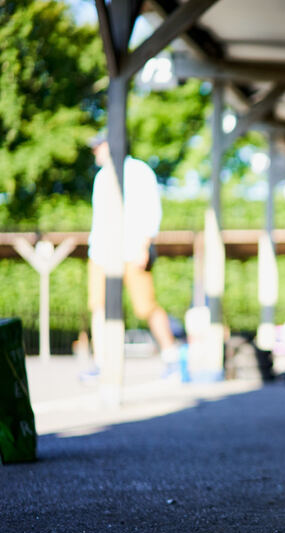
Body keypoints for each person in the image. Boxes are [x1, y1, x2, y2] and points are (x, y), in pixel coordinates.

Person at [87, 136, 179, 377]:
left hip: (130, 250)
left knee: (146, 307)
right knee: (98, 306)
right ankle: (101, 363)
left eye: (99, 144)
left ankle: (171, 357)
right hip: (101, 253)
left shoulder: (138, 171)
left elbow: (151, 209)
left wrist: (144, 245)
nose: (95, 150)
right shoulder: (101, 177)